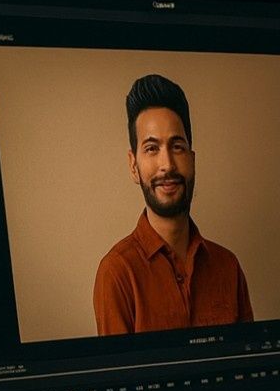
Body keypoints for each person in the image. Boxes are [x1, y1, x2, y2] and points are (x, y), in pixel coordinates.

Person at [93, 74, 253, 334]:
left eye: (177, 147)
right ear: (134, 165)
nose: (167, 164)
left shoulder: (228, 266)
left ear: (192, 159)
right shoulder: (117, 273)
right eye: (152, 148)